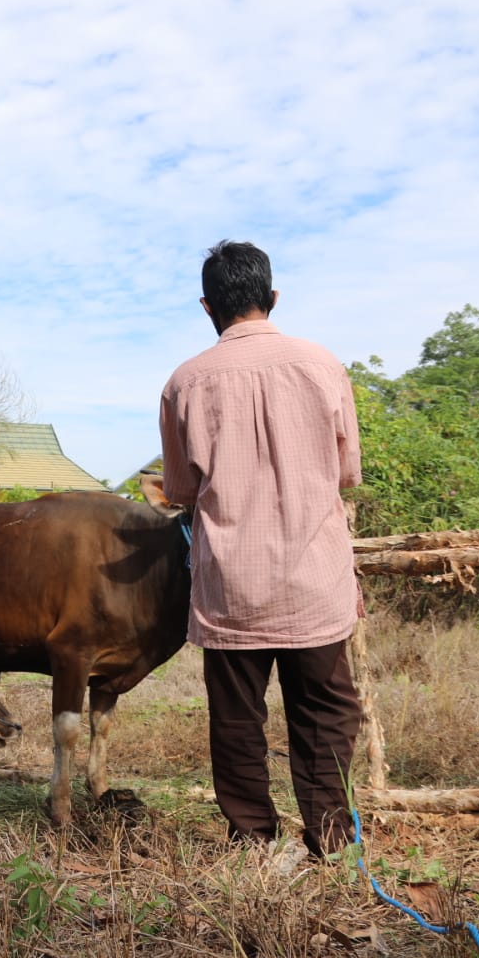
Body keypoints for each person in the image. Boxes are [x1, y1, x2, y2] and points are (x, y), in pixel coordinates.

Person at [158, 240, 363, 858]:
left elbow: (181, 490)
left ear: (206, 306)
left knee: (238, 721)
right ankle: (331, 839)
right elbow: (346, 471)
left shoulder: (184, 382)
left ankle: (251, 840)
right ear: (272, 298)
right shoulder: (322, 365)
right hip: (315, 581)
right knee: (326, 713)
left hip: (232, 587)